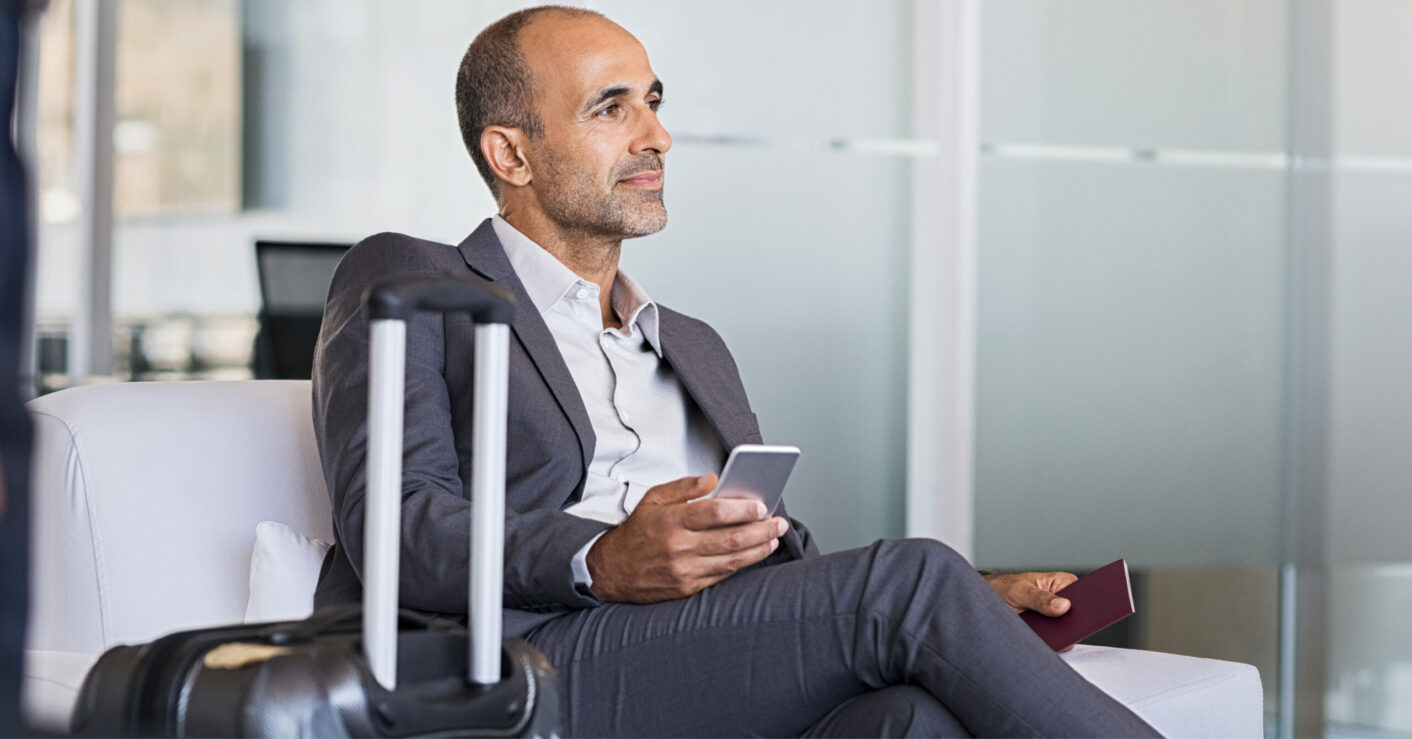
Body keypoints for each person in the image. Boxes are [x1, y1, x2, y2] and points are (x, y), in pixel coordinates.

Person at [312, 6, 1158, 737]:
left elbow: (783, 568)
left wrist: (973, 611)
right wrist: (600, 558)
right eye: (611, 108)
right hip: (525, 661)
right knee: (914, 578)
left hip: (692, 661)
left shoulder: (691, 343)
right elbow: (399, 526)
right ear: (512, 154)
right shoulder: (416, 280)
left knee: (916, 718)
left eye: (653, 102)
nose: (656, 136)